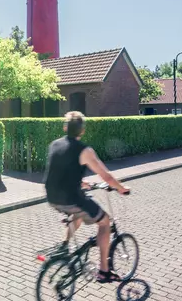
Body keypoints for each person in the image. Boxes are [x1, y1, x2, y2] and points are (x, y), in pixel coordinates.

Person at [44, 110, 130, 282]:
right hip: (70, 198)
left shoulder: (54, 144)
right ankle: (104, 271)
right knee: (105, 222)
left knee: (78, 214)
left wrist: (81, 182)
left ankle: (64, 246)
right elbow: (106, 176)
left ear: (65, 127)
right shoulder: (84, 151)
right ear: (82, 131)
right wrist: (121, 188)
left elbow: (61, 171)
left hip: (52, 197)